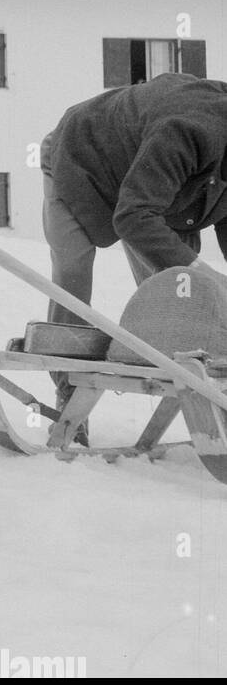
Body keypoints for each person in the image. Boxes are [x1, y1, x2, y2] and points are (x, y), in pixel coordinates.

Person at [41, 73, 227, 427]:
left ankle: (202, 392)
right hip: (83, 160)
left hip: (158, 191)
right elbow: (133, 217)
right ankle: (68, 396)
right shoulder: (187, 131)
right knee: (73, 276)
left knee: (179, 294)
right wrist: (205, 272)